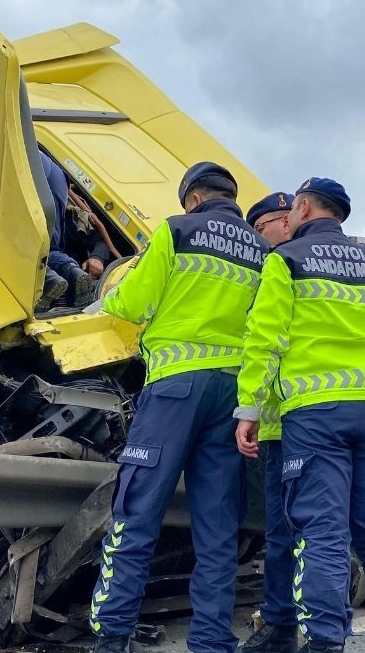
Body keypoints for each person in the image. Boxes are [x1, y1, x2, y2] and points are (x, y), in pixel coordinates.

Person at [235, 178, 365, 653]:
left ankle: (325, 641)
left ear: (302, 208)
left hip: (316, 415)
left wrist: (250, 409)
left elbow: (266, 339)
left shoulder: (287, 262)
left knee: (322, 532)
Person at [87, 162, 270, 653]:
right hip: (233, 398)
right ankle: (212, 640)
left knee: (138, 509)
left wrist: (113, 290)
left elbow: (129, 304)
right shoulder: (262, 252)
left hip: (174, 390)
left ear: (191, 197)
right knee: (217, 524)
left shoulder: (178, 230)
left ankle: (113, 635)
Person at [236, 192, 297, 653]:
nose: (280, 227)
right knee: (291, 531)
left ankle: (288, 626)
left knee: (292, 529)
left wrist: (249, 412)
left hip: (292, 423)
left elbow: (262, 345)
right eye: (270, 223)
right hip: (298, 423)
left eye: (282, 219)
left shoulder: (280, 269)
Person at [38, 148, 96, 311]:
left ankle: (47, 279)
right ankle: (71, 270)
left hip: (28, 176)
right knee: (50, 246)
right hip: (57, 177)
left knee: (13, 242)